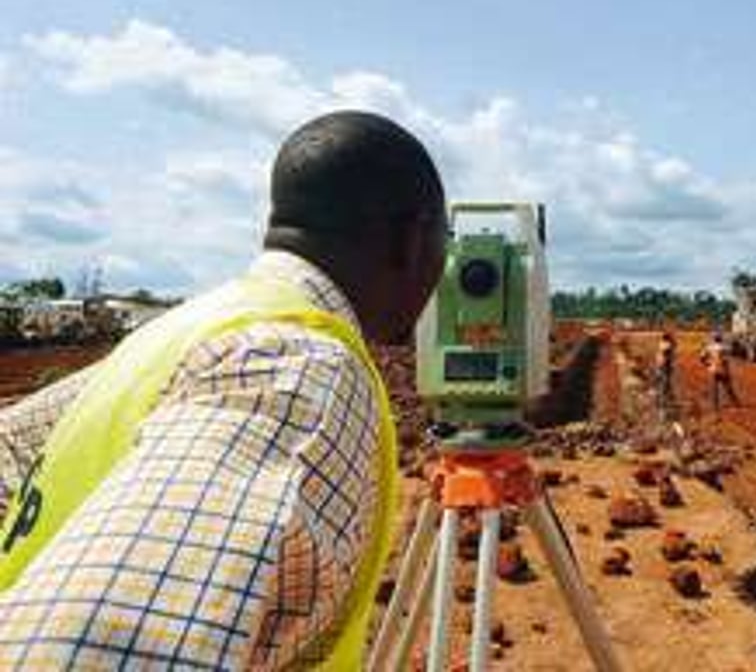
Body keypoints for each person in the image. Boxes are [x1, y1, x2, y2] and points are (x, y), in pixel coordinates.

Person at [0, 111, 448, 669]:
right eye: (445, 242)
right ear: (413, 238)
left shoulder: (191, 329)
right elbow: (78, 653)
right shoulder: (300, 376)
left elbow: (11, 447)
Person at [701, 331, 740, 413]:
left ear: (713, 339)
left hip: (713, 369)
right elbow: (730, 356)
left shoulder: (708, 347)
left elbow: (702, 358)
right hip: (723, 369)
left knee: (713, 388)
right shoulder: (725, 347)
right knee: (728, 387)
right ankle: (735, 403)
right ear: (720, 339)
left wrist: (707, 364)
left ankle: (714, 405)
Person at [655, 331, 677, 421]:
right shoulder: (666, 347)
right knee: (664, 390)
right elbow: (673, 346)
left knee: (663, 390)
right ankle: (663, 413)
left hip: (661, 370)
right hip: (664, 370)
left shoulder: (661, 346)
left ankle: (664, 410)